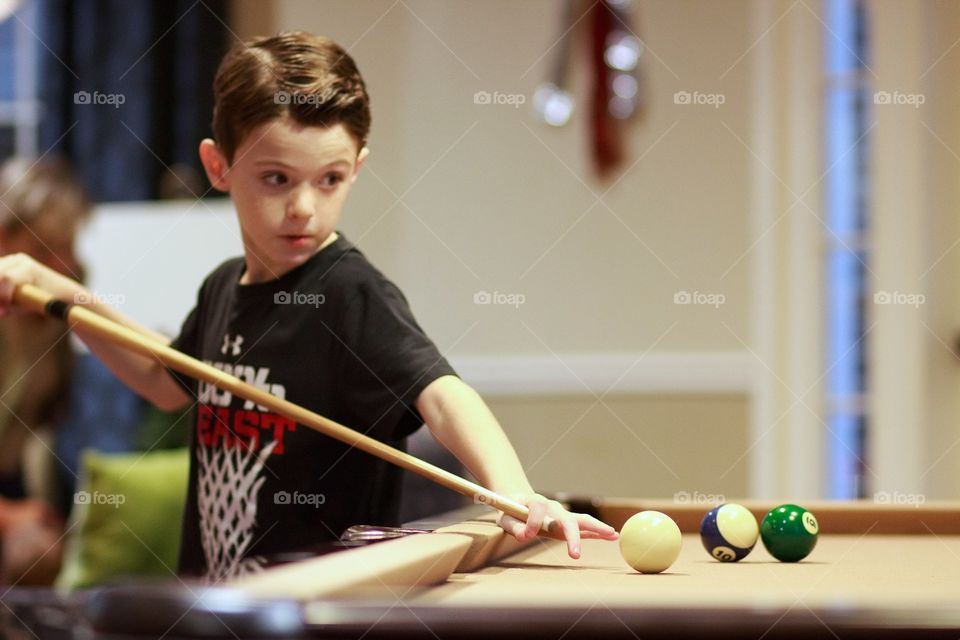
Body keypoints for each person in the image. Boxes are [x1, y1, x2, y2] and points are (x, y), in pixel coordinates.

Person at [0, 32, 618, 581]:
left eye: (330, 179)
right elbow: (163, 379)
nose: (304, 208)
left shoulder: (349, 292)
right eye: (276, 178)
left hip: (322, 607)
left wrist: (510, 488)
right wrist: (62, 294)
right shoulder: (222, 289)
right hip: (224, 602)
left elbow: (443, 393)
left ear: (357, 169)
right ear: (219, 165)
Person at [0, 157, 91, 584]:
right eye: (42, 249)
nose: (62, 265)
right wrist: (9, 516)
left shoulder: (58, 310)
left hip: (11, 475)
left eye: (68, 245)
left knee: (46, 552)